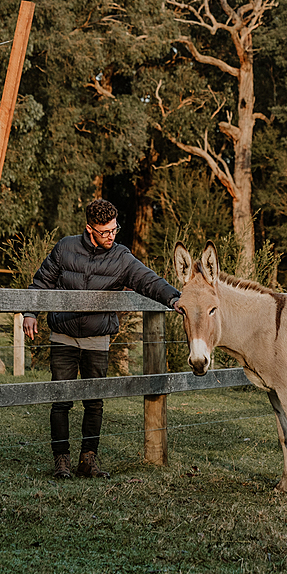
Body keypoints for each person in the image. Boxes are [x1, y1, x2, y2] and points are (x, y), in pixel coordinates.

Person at [23, 198, 181, 480]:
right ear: (89, 229)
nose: (111, 236)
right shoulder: (65, 247)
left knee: (94, 402)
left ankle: (88, 459)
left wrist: (174, 298)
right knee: (61, 400)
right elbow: (42, 282)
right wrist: (30, 312)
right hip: (63, 335)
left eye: (114, 229)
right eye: (105, 231)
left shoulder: (121, 257)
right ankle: (61, 461)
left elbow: (148, 280)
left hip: (97, 338)